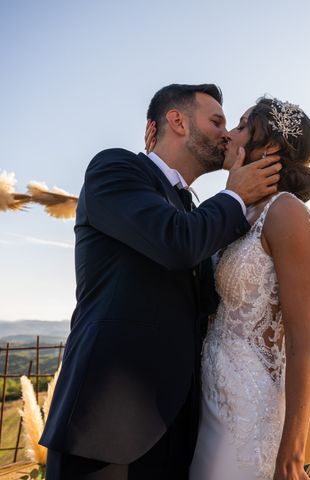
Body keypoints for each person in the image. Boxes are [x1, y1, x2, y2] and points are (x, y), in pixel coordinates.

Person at [40, 84, 282, 480]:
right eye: (217, 121)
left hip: (179, 433)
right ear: (178, 121)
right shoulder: (116, 170)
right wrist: (236, 197)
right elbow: (176, 243)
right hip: (104, 430)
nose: (225, 133)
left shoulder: (197, 210)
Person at [147, 97, 310, 480]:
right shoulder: (232, 211)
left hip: (250, 407)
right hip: (207, 401)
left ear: (271, 148)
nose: (228, 134)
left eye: (242, 126)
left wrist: (292, 454)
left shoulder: (286, 213)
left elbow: (302, 343)